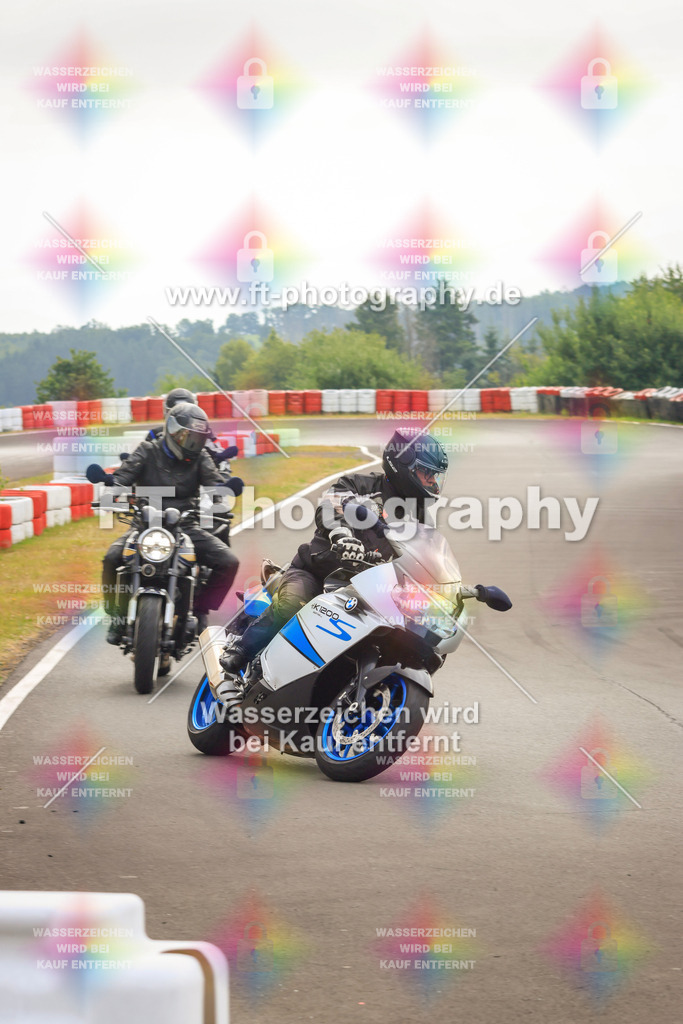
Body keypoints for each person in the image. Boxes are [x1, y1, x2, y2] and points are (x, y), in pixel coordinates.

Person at [219, 427, 449, 676]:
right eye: (427, 474)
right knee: (293, 605)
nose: (433, 483)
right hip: (317, 573)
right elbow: (331, 506)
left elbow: (424, 556)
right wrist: (342, 535)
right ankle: (241, 652)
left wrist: (442, 588)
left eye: (435, 476)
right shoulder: (360, 486)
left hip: (365, 591)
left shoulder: (421, 517)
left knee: (408, 634)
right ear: (404, 465)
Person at [102, 401, 240, 644]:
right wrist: (113, 486)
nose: (194, 444)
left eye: (198, 439)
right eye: (190, 438)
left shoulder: (201, 457)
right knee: (112, 558)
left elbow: (214, 483)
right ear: (174, 432)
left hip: (185, 526)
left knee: (228, 562)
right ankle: (117, 615)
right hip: (144, 525)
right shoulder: (147, 450)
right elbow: (124, 476)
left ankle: (198, 610)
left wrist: (223, 492)